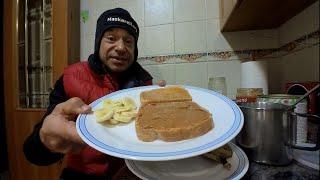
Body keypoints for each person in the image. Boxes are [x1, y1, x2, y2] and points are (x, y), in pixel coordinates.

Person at [23, 8, 165, 180]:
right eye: (111, 38)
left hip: (132, 174)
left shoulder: (144, 85)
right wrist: (45, 141)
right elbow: (33, 153)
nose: (121, 47)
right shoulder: (70, 78)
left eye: (128, 41)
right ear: (98, 42)